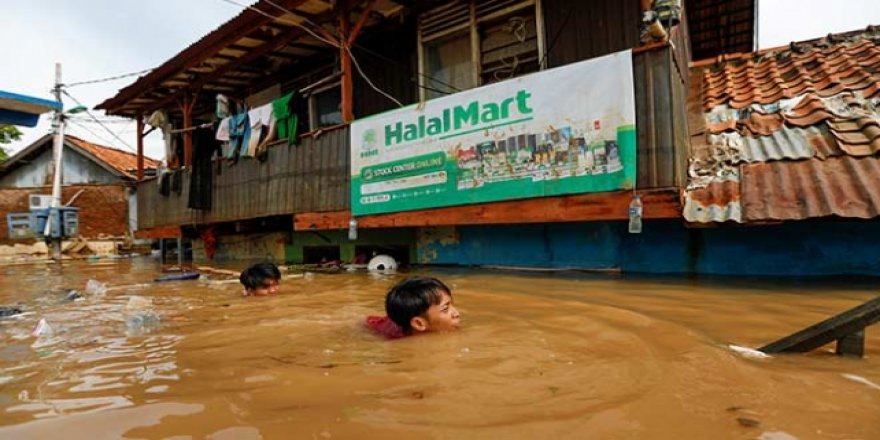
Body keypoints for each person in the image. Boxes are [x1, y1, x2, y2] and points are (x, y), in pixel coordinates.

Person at [366, 276, 461, 339]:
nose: (456, 313)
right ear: (419, 323)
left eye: (451, 304)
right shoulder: (399, 344)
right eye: (445, 309)